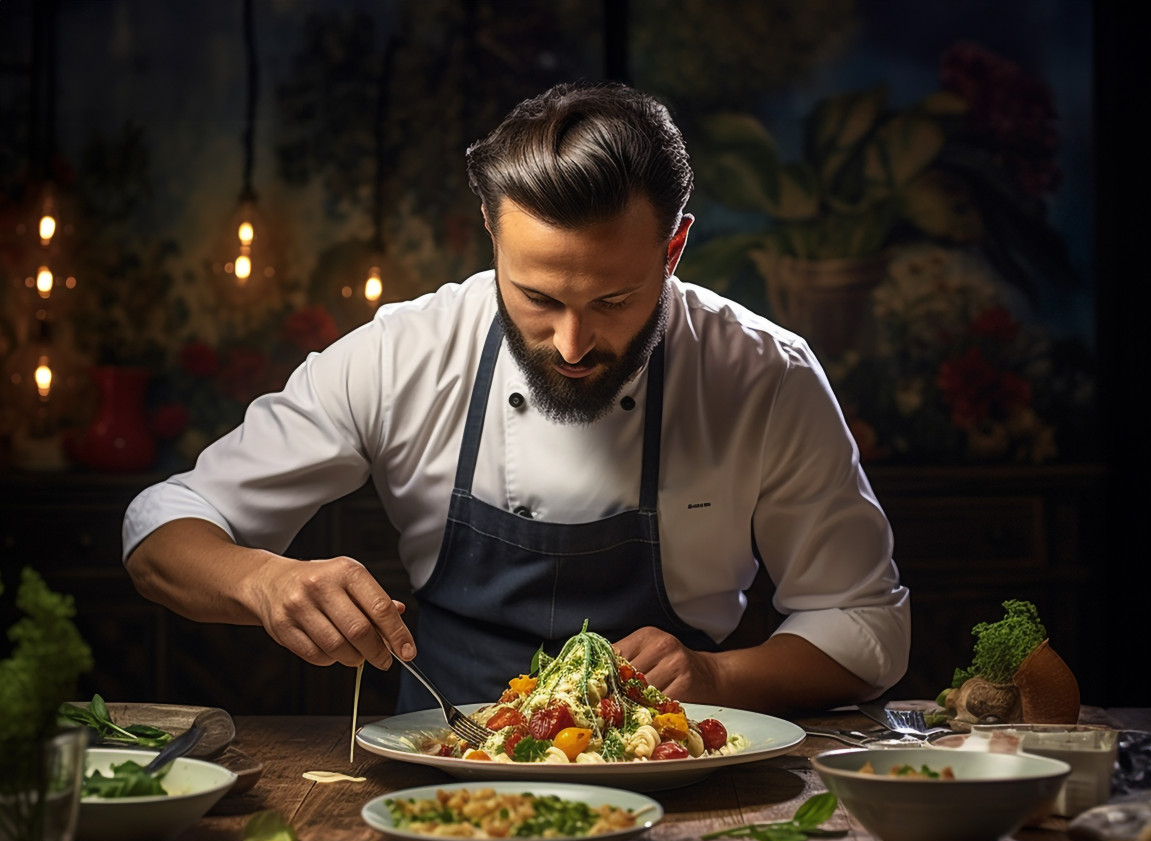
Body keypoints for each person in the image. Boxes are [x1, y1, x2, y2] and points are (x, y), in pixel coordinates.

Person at [123, 81, 909, 715]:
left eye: (612, 300)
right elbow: (160, 528)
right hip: (444, 779)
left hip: (685, 780)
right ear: (492, 234)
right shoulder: (404, 354)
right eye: (536, 297)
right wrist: (265, 581)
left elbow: (864, 620)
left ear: (674, 249)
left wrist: (718, 679)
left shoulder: (766, 375)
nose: (571, 345)